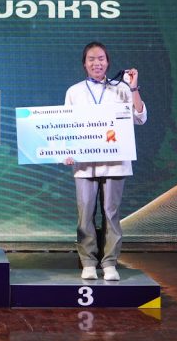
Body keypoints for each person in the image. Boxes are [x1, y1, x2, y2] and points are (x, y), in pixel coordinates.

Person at [63, 42, 147, 282]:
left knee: (111, 213)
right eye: (91, 59)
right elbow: (67, 125)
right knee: (85, 213)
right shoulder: (74, 91)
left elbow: (140, 117)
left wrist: (133, 87)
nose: (96, 63)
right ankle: (88, 261)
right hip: (84, 163)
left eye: (101, 58)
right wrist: (66, 151)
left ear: (108, 62)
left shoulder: (122, 88)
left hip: (115, 161)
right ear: (84, 64)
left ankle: (110, 262)